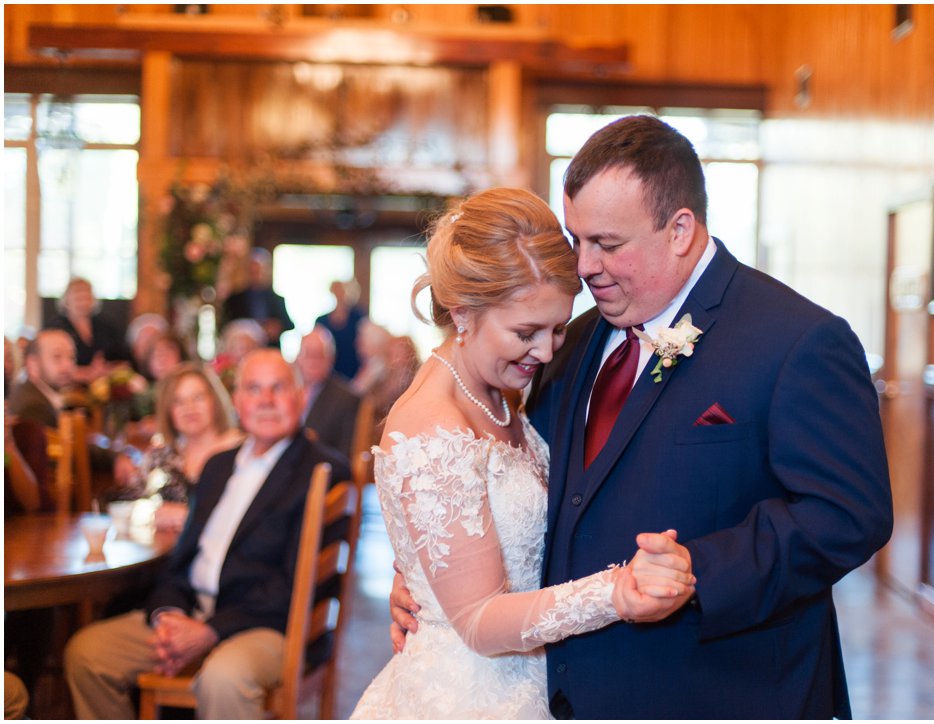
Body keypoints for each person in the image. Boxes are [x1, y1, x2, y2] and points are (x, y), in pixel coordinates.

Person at [391, 116, 894, 718]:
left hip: (723, 691)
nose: (583, 265)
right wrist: (431, 571)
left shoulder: (796, 340)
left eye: (607, 244)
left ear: (680, 230)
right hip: (564, 693)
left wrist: (699, 570)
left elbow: (848, 515)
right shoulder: (572, 342)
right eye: (577, 240)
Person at [351, 188, 694, 719]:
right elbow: (479, 621)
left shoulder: (500, 392)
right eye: (525, 332)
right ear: (462, 313)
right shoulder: (430, 425)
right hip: (468, 694)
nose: (548, 350)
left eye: (558, 328)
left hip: (535, 677)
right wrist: (617, 591)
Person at [64, 349, 351, 719]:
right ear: (236, 401)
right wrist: (168, 615)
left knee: (224, 678)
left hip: (268, 625)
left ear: (300, 397)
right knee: (87, 654)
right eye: (253, 389)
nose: (265, 401)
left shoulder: (322, 471)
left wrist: (210, 631)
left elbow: (295, 586)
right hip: (193, 611)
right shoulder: (219, 465)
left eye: (277, 388)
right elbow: (183, 559)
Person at [110, 363, 243, 532]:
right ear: (168, 411)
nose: (189, 408)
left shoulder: (241, 453)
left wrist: (189, 517)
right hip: (164, 553)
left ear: (215, 401)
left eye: (198, 397)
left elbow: (252, 517)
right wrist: (152, 513)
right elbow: (126, 506)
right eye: (178, 402)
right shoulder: (162, 456)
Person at [45, 277, 129, 383]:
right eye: (77, 297)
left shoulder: (107, 326)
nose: (82, 302)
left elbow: (125, 361)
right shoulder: (55, 328)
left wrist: (106, 371)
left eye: (86, 296)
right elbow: (49, 367)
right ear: (66, 301)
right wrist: (86, 373)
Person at [295, 327, 360, 460]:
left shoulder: (347, 399)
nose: (313, 360)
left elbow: (345, 456)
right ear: (298, 358)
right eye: (308, 354)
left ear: (331, 358)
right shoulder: (288, 391)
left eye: (319, 355)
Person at [221, 248, 294, 348]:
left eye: (259, 270)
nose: (256, 274)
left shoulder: (277, 299)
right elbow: (226, 326)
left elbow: (289, 325)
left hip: (270, 350)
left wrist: (276, 327)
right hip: (243, 350)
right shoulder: (235, 299)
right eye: (252, 271)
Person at [7, 328, 77, 428]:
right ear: (33, 364)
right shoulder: (33, 409)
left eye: (71, 357)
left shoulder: (32, 393)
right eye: (57, 356)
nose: (68, 365)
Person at [315, 280, 367, 379]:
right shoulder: (321, 321)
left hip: (354, 369)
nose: (340, 294)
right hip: (330, 372)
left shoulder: (358, 318)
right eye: (337, 290)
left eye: (342, 290)